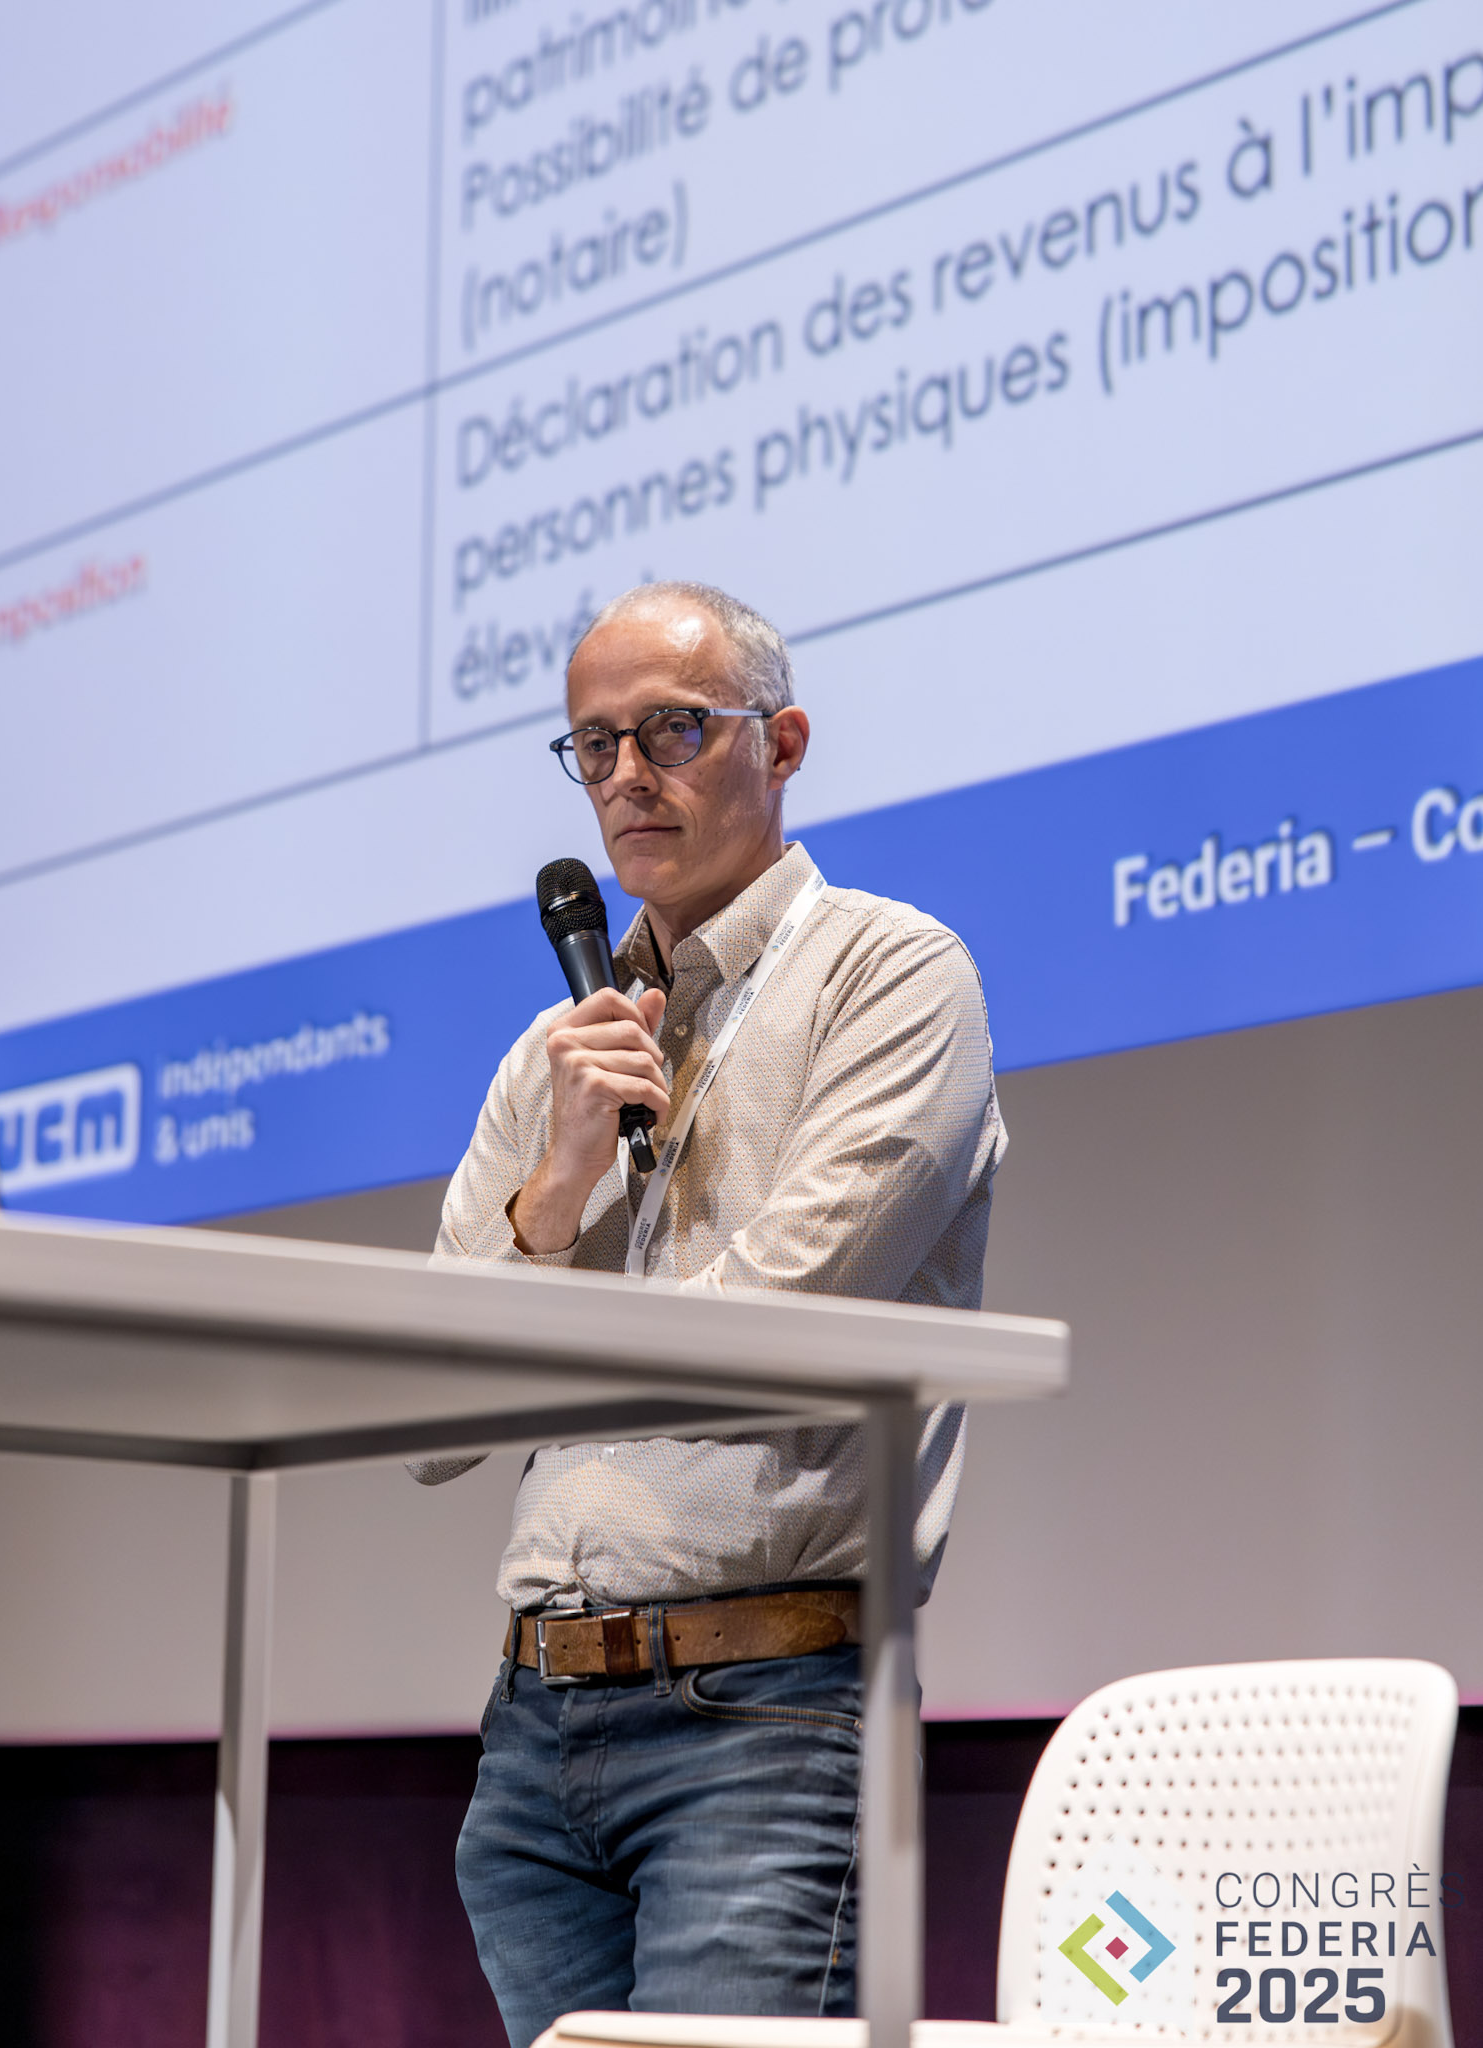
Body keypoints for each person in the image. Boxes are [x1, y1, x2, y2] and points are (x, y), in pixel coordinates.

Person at [410, 581, 1005, 2048]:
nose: (626, 775)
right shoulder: (556, 1058)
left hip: (764, 1707)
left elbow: (780, 1318)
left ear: (781, 742)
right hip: (533, 1725)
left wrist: (537, 1335)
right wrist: (553, 1195)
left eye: (670, 730)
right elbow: (426, 1419)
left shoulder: (889, 973)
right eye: (593, 744)